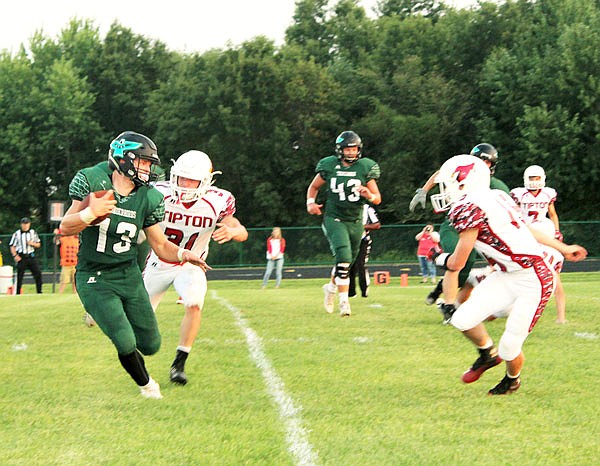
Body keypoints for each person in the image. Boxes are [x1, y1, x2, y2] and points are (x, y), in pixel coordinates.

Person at [59, 131, 208, 400]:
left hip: (128, 275)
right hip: (94, 275)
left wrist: (185, 254)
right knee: (125, 340)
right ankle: (148, 387)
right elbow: (65, 226)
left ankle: (111, 318)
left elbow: (160, 245)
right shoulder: (93, 180)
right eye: (144, 162)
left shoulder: (148, 197)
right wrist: (90, 212)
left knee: (151, 344)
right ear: (124, 159)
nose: (148, 169)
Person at [429, 154, 587, 395]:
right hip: (505, 275)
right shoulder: (496, 196)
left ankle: (512, 379)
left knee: (510, 347)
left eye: (451, 183)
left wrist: (437, 256)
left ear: (465, 182)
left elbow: (458, 261)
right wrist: (563, 248)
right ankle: (487, 355)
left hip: (533, 278)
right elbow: (525, 227)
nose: (447, 190)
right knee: (461, 319)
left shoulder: (470, 207)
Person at [143, 150, 248, 385]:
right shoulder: (158, 192)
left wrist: (232, 231)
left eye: (192, 180)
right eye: (182, 178)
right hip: (157, 263)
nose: (185, 184)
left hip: (191, 265)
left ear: (205, 181)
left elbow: (240, 230)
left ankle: (179, 364)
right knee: (140, 320)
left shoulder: (218, 199)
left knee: (194, 303)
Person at [409, 143, 510, 308]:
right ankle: (449, 307)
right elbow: (441, 173)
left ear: (492, 165)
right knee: (458, 262)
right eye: (478, 160)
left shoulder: (497, 186)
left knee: (465, 270)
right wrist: (424, 190)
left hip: (479, 232)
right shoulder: (461, 176)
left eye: (486, 162)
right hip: (453, 226)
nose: (481, 165)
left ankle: (440, 283)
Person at [306, 130, 381, 317]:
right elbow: (314, 187)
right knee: (344, 255)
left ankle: (330, 288)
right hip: (334, 218)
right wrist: (310, 203)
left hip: (356, 221)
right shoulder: (329, 165)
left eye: (354, 149)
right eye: (347, 149)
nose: (351, 153)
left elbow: (377, 198)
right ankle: (344, 303)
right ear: (340, 150)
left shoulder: (365, 167)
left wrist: (368, 195)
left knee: (346, 261)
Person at [510, 165, 566, 323]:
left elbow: (553, 214)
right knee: (518, 272)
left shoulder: (548, 194)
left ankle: (561, 316)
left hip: (544, 233)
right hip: (525, 235)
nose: (534, 182)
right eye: (531, 178)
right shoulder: (518, 194)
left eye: (537, 178)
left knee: (554, 273)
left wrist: (556, 231)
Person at [348, 204, 381, 298]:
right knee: (349, 265)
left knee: (360, 264)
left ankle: (364, 290)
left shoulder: (367, 208)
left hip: (363, 240)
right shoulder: (346, 207)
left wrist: (361, 227)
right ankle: (351, 292)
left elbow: (377, 224)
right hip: (348, 240)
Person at [9, 217, 43, 294]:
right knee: (20, 276)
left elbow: (38, 244)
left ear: (29, 224)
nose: (25, 225)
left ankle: (39, 291)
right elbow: (12, 245)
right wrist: (15, 255)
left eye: (27, 224)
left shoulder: (33, 232)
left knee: (38, 273)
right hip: (22, 257)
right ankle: (18, 292)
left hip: (31, 256)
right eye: (24, 224)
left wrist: (32, 244)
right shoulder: (17, 234)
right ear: (21, 225)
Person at [53, 228, 79, 294]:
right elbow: (56, 242)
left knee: (75, 282)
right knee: (64, 281)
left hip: (75, 264)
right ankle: (60, 293)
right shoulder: (63, 239)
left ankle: (75, 294)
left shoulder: (77, 239)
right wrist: (56, 235)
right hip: (66, 264)